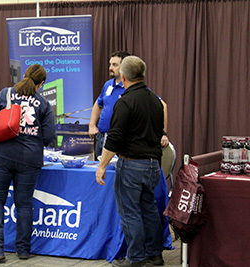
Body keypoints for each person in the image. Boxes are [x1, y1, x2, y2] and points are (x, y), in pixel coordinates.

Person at [0, 64, 56, 263]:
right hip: (29, 159)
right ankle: (23, 250)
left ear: (23, 76)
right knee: (24, 205)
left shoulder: (5, 94)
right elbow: (49, 137)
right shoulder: (44, 104)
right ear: (41, 84)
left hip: (1, 155)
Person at [95, 56, 165, 267]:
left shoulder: (125, 102)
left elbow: (114, 139)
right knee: (149, 209)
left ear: (123, 77)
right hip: (153, 164)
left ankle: (135, 258)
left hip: (132, 164)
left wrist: (102, 165)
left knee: (129, 211)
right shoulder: (155, 100)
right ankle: (154, 254)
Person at [89, 51, 169, 160]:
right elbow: (98, 104)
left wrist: (163, 133)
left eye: (115, 65)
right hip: (102, 138)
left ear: (124, 67)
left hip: (119, 141)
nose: (110, 68)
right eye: (110, 64)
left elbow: (162, 105)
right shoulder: (108, 85)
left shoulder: (134, 87)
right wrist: (92, 125)